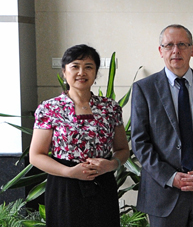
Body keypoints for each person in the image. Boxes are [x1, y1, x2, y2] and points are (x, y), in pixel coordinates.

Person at [130, 24, 193, 227]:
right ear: (161, 51)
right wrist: (170, 177)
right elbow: (140, 141)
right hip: (163, 195)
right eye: (169, 45)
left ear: (192, 50)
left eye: (182, 45)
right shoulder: (144, 89)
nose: (175, 50)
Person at [30, 44, 129, 227]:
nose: (81, 72)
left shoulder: (110, 108)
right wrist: (69, 172)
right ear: (64, 72)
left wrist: (112, 164)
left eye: (88, 67)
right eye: (75, 66)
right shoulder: (50, 108)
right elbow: (36, 155)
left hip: (102, 183)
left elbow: (123, 149)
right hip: (64, 186)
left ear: (96, 72)